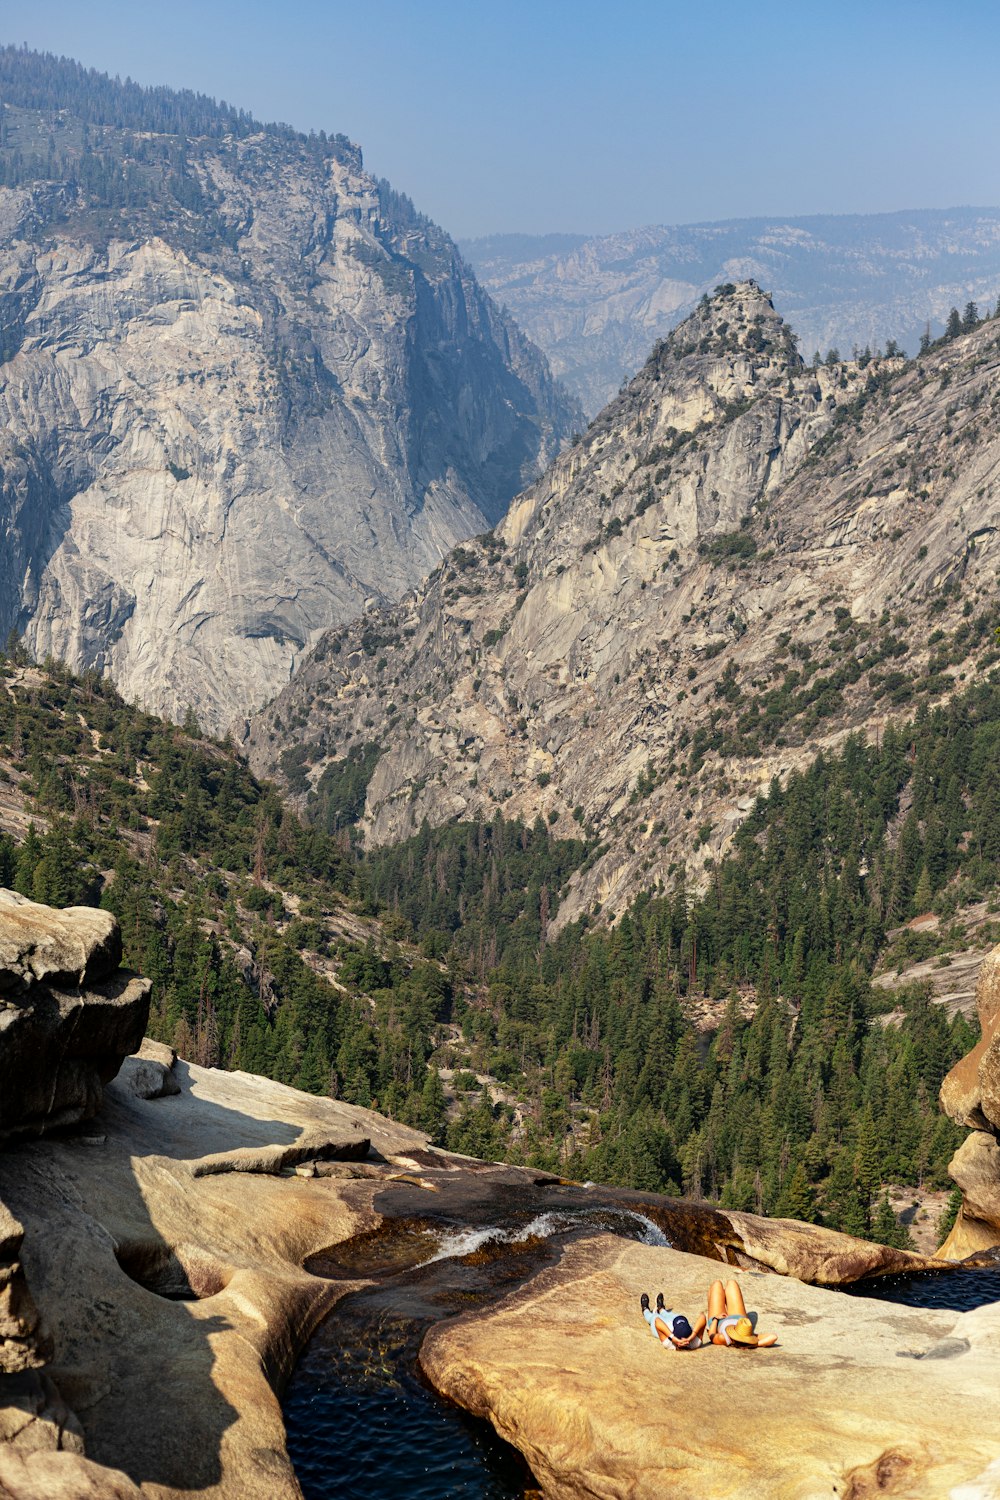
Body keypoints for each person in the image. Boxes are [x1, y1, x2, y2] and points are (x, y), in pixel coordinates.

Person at [704, 1279, 778, 1347]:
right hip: (739, 1319)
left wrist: (716, 1319)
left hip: (719, 1321)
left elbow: (712, 1335)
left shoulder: (724, 1339)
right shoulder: (748, 1335)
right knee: (732, 1283)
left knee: (717, 1285)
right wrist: (753, 1345)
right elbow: (773, 1337)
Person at [639, 1292, 707, 1349]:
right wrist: (691, 1338)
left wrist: (672, 1338)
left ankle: (645, 1310)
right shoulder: (695, 1343)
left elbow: (657, 1321)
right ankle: (661, 1309)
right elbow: (702, 1317)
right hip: (675, 1320)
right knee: (669, 1314)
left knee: (653, 1317)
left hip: (666, 1328)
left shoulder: (669, 1343)